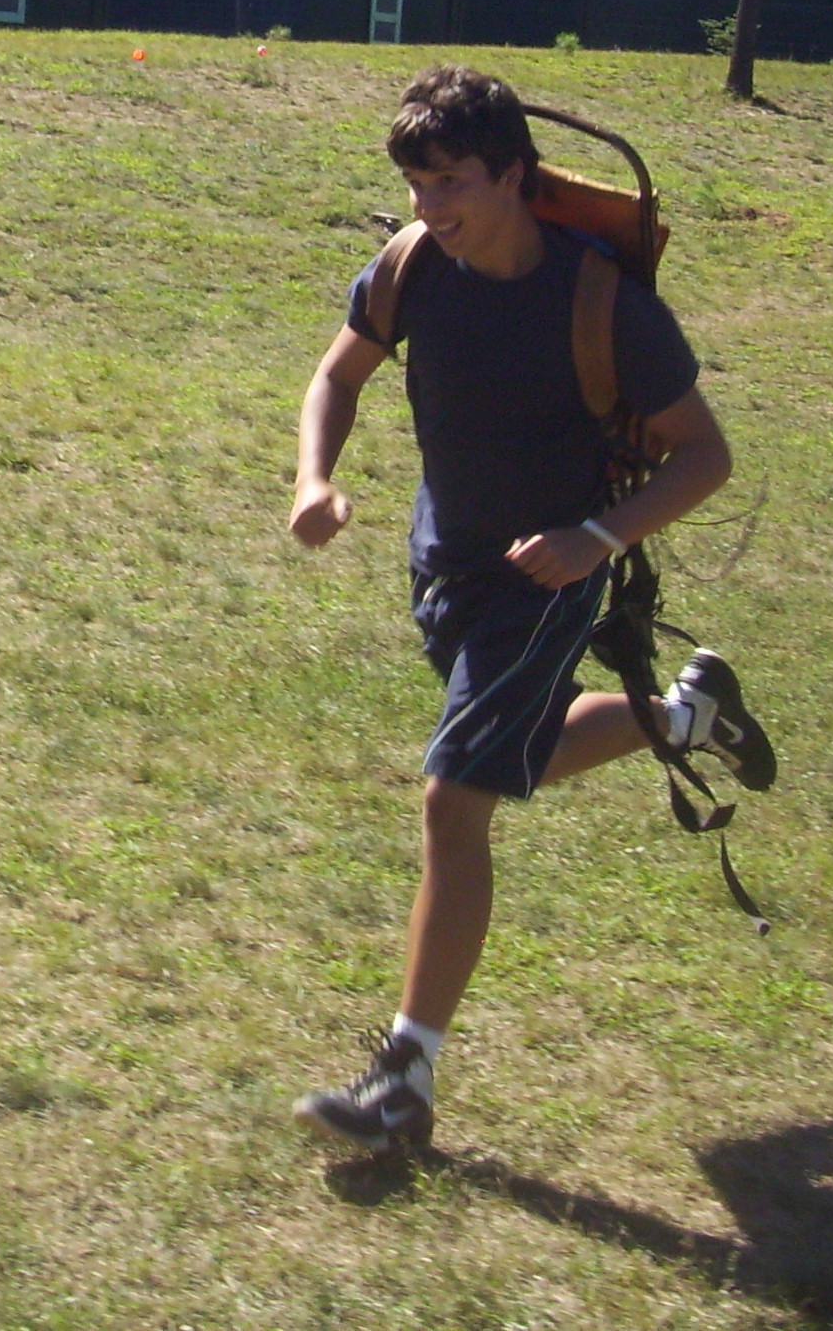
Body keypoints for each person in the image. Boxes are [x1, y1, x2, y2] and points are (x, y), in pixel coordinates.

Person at [286, 64, 766, 1154]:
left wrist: (597, 539)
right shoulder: (413, 266)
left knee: (454, 799)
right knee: (518, 753)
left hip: (549, 579)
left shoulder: (604, 305)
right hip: (445, 565)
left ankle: (403, 1078)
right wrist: (314, 479)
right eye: (415, 185)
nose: (429, 206)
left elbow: (704, 455)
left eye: (450, 181)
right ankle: (685, 716)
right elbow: (339, 375)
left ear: (513, 174)